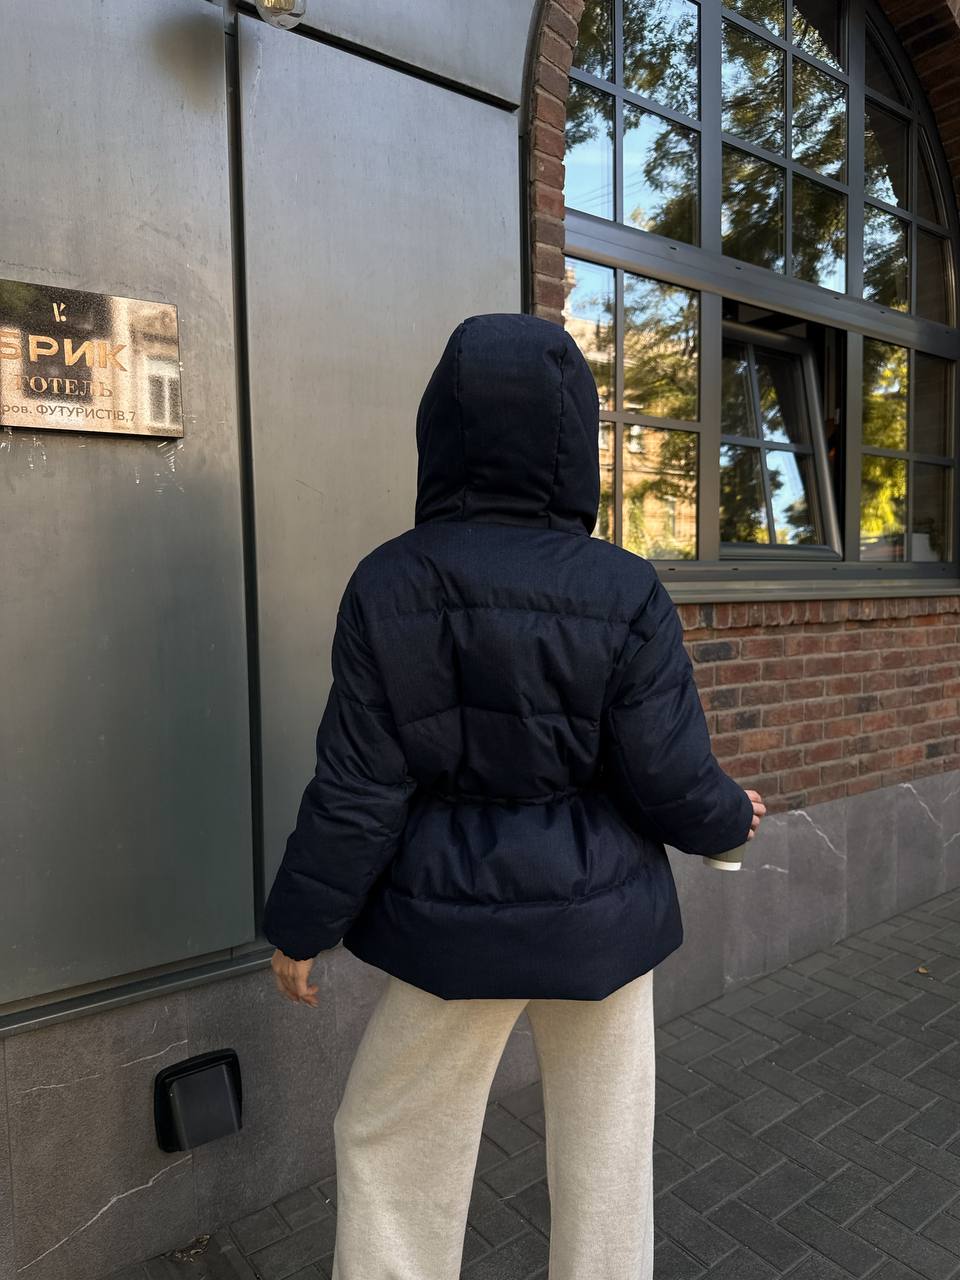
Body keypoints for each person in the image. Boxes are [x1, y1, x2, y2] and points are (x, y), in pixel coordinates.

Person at [262, 312, 766, 1280]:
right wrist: (728, 819)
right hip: (601, 917)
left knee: (389, 1138)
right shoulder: (626, 589)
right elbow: (666, 771)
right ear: (573, 438)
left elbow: (359, 785)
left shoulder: (389, 583)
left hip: (453, 918)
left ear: (440, 430)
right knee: (608, 1149)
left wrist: (300, 926)